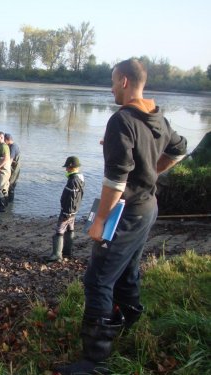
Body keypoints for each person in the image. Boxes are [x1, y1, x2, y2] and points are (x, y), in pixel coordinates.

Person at [55, 58, 187, 375]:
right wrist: (150, 173)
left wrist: (100, 220)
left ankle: (94, 362)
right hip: (147, 208)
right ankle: (127, 324)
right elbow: (178, 149)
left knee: (97, 279)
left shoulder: (122, 120)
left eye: (113, 81)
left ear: (125, 81)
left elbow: (116, 180)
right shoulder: (156, 116)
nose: (111, 87)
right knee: (126, 271)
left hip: (126, 212)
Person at [46, 156, 84, 262]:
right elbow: (78, 198)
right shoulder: (80, 179)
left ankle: (57, 255)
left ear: (72, 167)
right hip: (74, 211)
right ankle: (67, 251)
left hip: (68, 211)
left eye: (67, 167)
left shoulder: (73, 180)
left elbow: (71, 198)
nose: (66, 169)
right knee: (70, 229)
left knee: (59, 231)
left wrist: (67, 212)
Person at [4, 133, 21, 203]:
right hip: (15, 168)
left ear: (8, 140)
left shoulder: (13, 147)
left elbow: (10, 159)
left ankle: (10, 201)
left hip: (14, 169)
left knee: (11, 184)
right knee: (11, 184)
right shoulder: (13, 145)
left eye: (4, 140)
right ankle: (9, 200)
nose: (4, 142)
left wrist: (5, 168)